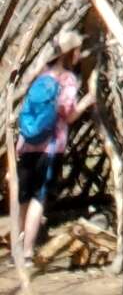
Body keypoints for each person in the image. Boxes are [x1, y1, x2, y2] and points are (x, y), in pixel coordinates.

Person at [14, 27, 92, 264]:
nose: (80, 55)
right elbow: (67, 116)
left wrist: (20, 141)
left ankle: (16, 251)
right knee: (39, 198)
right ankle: (27, 251)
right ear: (70, 53)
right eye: (78, 50)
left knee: (23, 198)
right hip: (50, 147)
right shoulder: (67, 80)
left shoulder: (41, 76)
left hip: (28, 144)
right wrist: (88, 101)